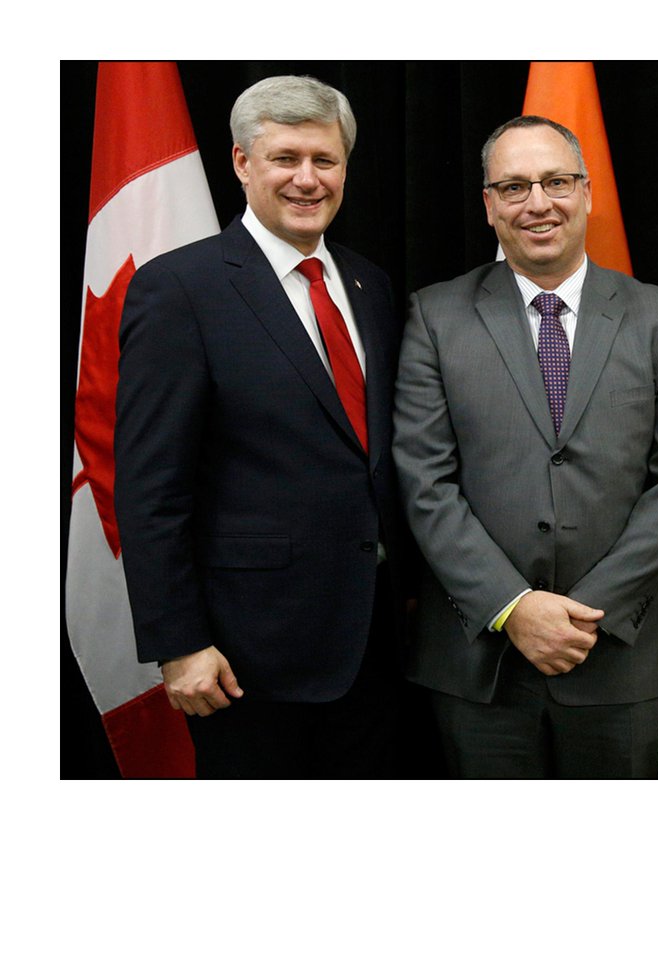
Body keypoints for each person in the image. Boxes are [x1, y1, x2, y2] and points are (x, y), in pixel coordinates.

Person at [392, 115, 658, 778]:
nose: (538, 203)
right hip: (479, 663)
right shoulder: (436, 315)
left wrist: (587, 615)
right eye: (513, 187)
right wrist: (513, 607)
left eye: (556, 181)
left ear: (588, 193)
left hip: (617, 655)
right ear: (488, 205)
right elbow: (424, 480)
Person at [114, 75, 406, 777]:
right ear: (243, 163)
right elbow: (150, 486)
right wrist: (178, 642)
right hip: (247, 656)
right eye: (285, 158)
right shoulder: (180, 288)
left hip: (378, 641)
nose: (308, 179)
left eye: (324, 160)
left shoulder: (370, 284)